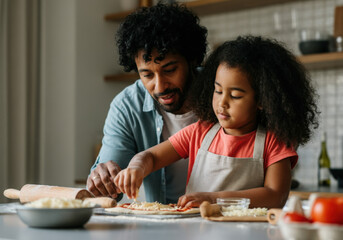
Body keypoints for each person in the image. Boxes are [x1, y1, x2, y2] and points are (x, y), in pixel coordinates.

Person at [113, 36, 319, 208]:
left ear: (263, 101)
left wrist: (214, 200)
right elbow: (151, 157)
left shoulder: (274, 142)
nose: (222, 103)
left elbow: (275, 196)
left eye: (236, 96)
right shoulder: (199, 132)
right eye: (218, 91)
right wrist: (137, 167)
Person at [87, 3, 208, 203]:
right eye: (147, 74)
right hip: (161, 225)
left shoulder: (222, 93)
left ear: (192, 59)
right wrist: (102, 181)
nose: (160, 87)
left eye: (169, 70)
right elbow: (110, 190)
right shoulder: (127, 107)